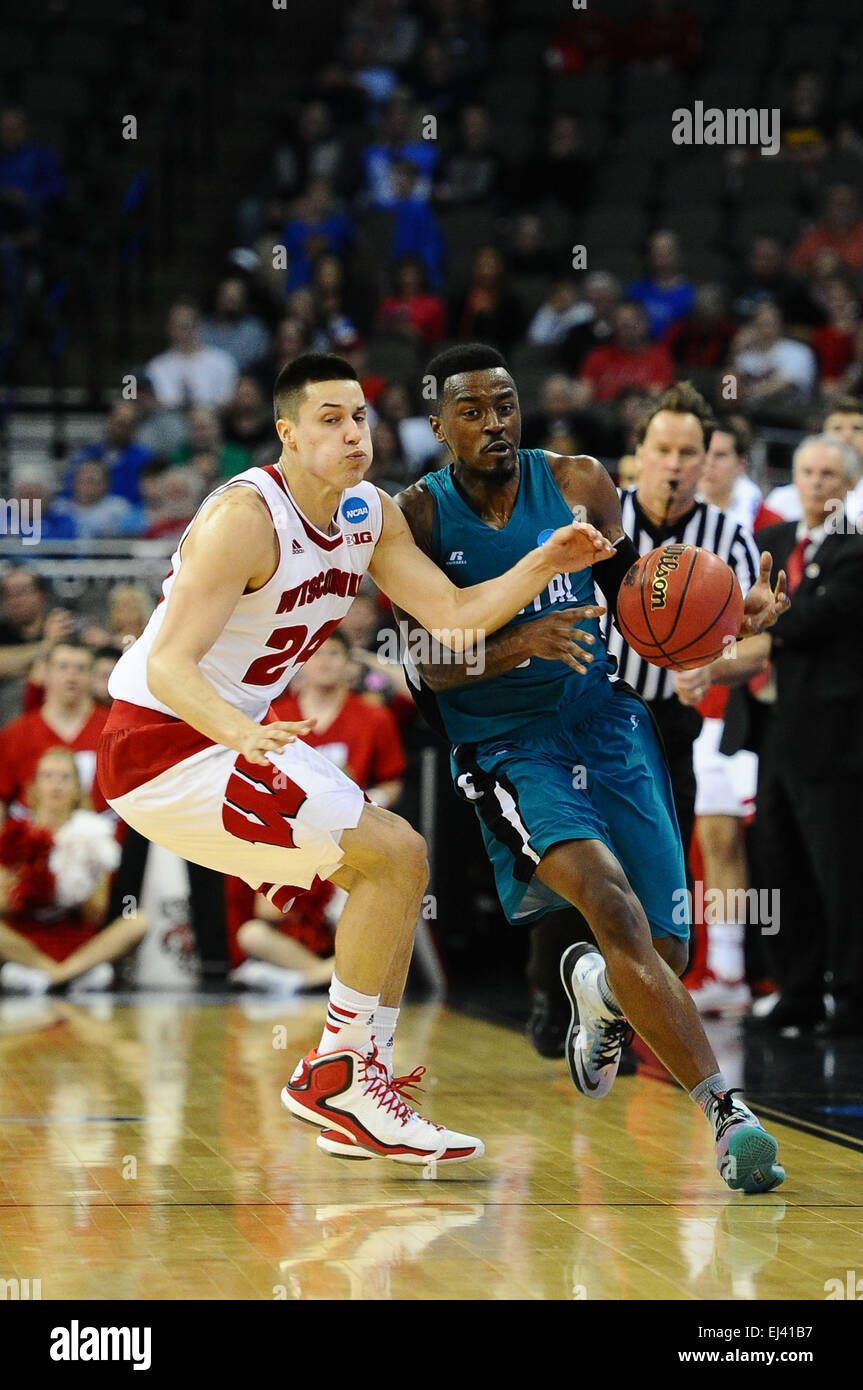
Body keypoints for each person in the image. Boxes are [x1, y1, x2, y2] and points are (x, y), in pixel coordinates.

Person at [95, 351, 613, 1166]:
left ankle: (345, 1078)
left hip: (231, 736)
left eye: (361, 417)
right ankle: (340, 1076)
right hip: (162, 745)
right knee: (394, 855)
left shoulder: (369, 514)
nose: (351, 433)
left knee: (396, 865)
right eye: (329, 420)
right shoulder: (246, 518)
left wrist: (543, 563)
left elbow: (449, 616)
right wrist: (237, 733)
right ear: (288, 435)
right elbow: (167, 665)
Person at [393, 343, 788, 1193]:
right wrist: (518, 644)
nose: (494, 421)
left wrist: (728, 618)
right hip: (507, 744)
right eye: (471, 410)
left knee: (665, 949)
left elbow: (638, 599)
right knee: (608, 904)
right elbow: (425, 661)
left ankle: (600, 992)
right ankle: (727, 1112)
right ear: (437, 426)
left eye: (504, 404)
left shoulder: (578, 482)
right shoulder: (416, 517)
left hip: (603, 721)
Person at [678, 435, 863, 1035]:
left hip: (836, 737)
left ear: (850, 483)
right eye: (807, 471)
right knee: (779, 863)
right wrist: (711, 657)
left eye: (830, 473)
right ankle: (797, 989)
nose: (816, 482)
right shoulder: (772, 543)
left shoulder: (855, 548)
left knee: (839, 871)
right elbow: (740, 620)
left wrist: (751, 630)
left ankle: (853, 997)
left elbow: (808, 618)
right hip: (768, 731)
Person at [228, 628, 406, 994]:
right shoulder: (275, 715)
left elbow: (392, 778)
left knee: (366, 903)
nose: (325, 663)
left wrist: (365, 804)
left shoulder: (373, 717)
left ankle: (332, 978)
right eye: (317, 655)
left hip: (354, 833)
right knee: (260, 923)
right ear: (301, 664)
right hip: (286, 834)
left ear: (348, 664)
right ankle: (324, 974)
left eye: (334, 655)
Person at [0, 749, 146, 994]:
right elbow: (3, 906)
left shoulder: (94, 836)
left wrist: (75, 884)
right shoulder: (15, 836)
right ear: (34, 787)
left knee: (136, 920)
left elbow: (95, 915)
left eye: (65, 777)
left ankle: (58, 975)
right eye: (48, 776)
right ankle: (59, 974)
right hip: (27, 944)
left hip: (77, 944)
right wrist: (29, 884)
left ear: (78, 789)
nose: (56, 784)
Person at [0, 640, 109, 817]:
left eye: (81, 668)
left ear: (93, 676)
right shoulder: (15, 734)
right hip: (30, 839)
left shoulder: (114, 731)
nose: (71, 676)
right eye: (63, 666)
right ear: (46, 672)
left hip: (101, 837)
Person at [146, 300, 238, 409]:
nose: (184, 331)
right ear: (169, 329)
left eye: (188, 325)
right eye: (178, 326)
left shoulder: (223, 361)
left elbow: (228, 402)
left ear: (199, 326)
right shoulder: (156, 367)